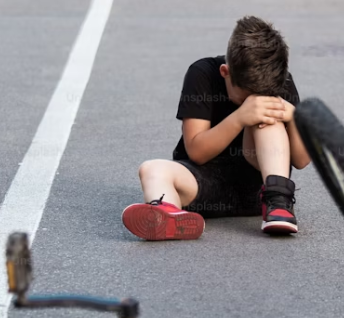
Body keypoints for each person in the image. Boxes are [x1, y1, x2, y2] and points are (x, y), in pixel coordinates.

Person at [122, 16, 311, 241]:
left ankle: (279, 204)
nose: (254, 101)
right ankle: (168, 215)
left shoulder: (278, 81)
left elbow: (301, 160)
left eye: (260, 96)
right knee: (151, 169)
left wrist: (292, 118)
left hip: (259, 189)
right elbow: (196, 152)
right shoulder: (202, 74)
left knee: (268, 120)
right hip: (204, 184)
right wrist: (240, 117)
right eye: (246, 97)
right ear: (225, 72)